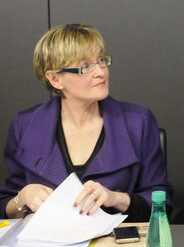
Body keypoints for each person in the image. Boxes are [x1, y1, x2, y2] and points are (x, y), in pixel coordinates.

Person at [0, 24, 172, 222]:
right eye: (86, 66)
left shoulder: (138, 122)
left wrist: (116, 198)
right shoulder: (25, 125)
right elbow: (5, 205)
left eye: (101, 60)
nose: (100, 72)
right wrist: (23, 197)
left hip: (116, 244)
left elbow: (162, 203)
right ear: (55, 79)